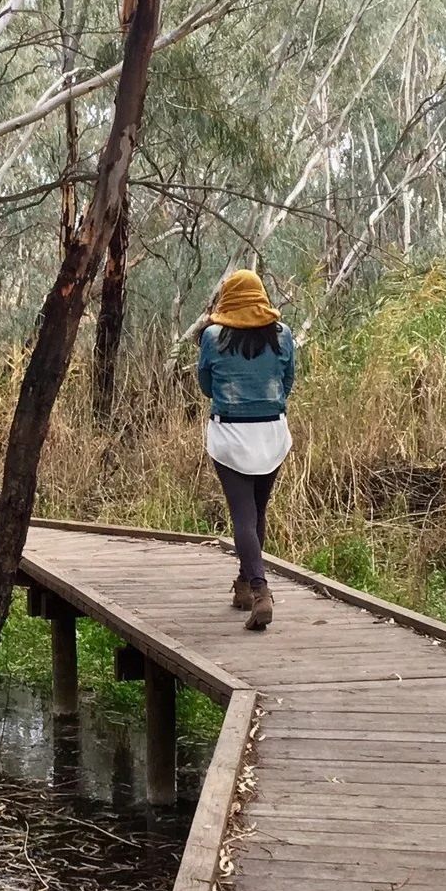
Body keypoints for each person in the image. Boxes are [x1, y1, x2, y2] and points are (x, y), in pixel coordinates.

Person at [195, 269, 294, 630]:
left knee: (242, 516)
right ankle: (244, 585)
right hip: (272, 431)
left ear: (228, 302)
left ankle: (260, 589)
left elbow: (206, 386)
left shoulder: (212, 337)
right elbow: (287, 382)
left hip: (231, 434)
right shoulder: (282, 336)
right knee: (257, 512)